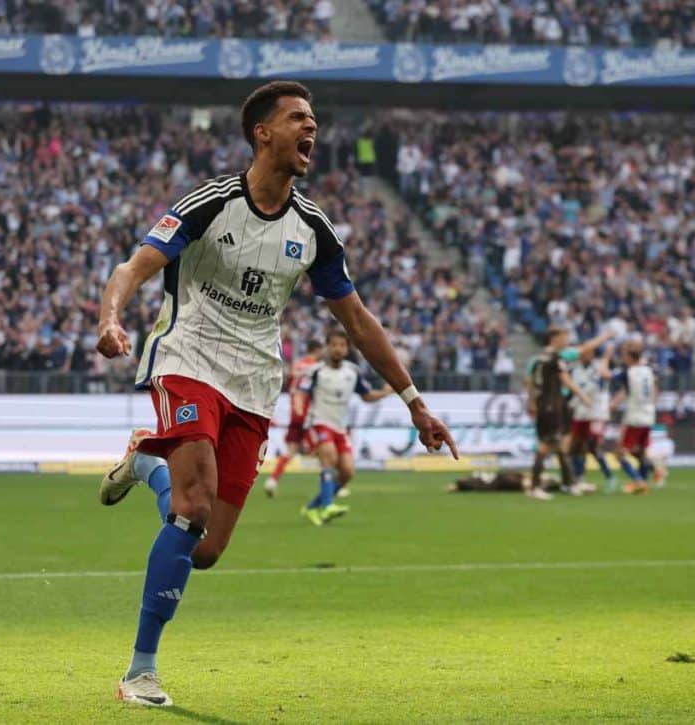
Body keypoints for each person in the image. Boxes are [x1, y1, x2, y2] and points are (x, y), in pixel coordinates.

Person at [95, 81, 457, 708]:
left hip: (256, 383)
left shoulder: (313, 228)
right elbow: (134, 266)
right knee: (195, 502)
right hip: (188, 360)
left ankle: (146, 461)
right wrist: (112, 317)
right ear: (263, 132)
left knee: (204, 549)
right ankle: (140, 671)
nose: (310, 128)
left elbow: (359, 320)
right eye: (297, 118)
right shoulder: (209, 204)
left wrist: (414, 400)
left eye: (313, 119)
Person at [299, 329, 392, 526]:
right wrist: (299, 409)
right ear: (327, 347)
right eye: (334, 345)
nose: (338, 349)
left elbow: (366, 396)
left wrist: (385, 392)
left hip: (340, 427)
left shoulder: (352, 371)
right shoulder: (316, 371)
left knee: (348, 472)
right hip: (319, 423)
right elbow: (301, 391)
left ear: (347, 348)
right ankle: (328, 506)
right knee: (329, 459)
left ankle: (313, 507)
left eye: (342, 345)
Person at [526, 327, 591, 501]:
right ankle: (535, 487)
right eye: (564, 337)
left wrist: (531, 401)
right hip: (551, 406)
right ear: (554, 338)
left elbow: (530, 382)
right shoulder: (555, 358)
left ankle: (568, 483)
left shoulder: (538, 359)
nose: (566, 341)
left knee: (560, 445)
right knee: (545, 446)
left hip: (544, 405)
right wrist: (582, 396)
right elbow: (566, 379)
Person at [263, 338, 324, 498]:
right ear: (317, 350)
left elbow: (291, 383)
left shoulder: (297, 365)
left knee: (291, 451)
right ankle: (330, 485)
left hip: (294, 414)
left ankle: (272, 480)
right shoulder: (315, 367)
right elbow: (305, 391)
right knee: (323, 449)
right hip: (306, 415)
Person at [610, 342, 665, 494]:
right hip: (648, 415)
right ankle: (653, 472)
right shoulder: (648, 370)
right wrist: (650, 406)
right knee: (640, 451)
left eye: (624, 355)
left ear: (629, 356)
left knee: (619, 452)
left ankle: (638, 481)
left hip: (634, 417)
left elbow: (606, 375)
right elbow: (654, 390)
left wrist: (606, 356)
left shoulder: (629, 372)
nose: (622, 358)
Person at [569, 344, 617, 493]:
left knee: (591, 446)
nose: (585, 355)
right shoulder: (574, 371)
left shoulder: (598, 369)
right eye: (582, 352)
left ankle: (609, 477)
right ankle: (579, 478)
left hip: (596, 413)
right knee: (576, 446)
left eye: (588, 352)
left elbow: (600, 384)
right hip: (579, 413)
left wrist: (607, 357)